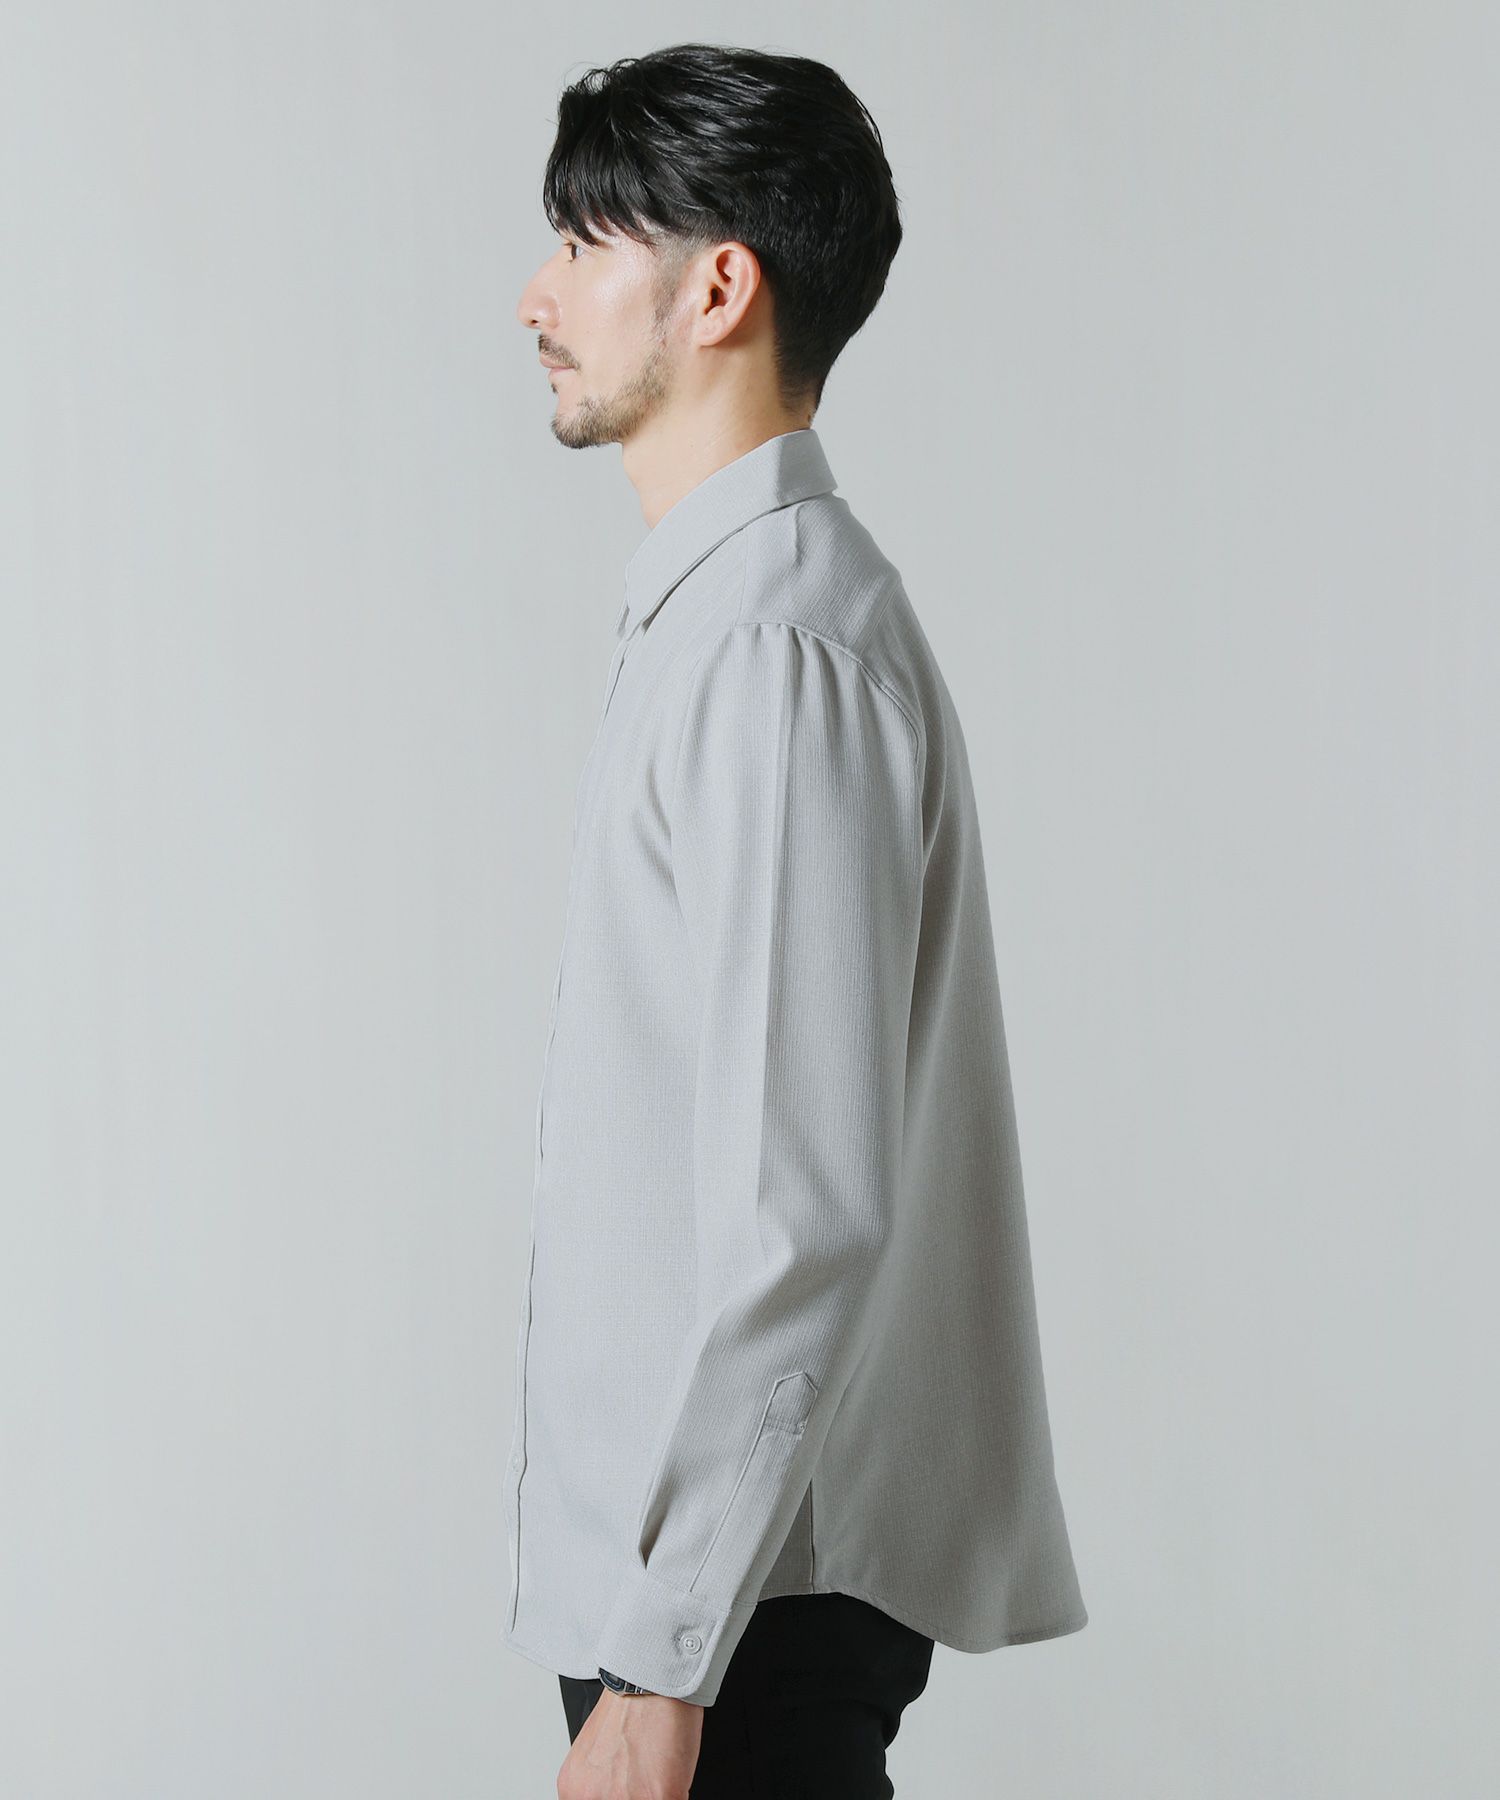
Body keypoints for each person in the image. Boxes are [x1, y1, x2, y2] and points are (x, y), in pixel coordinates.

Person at [508, 43, 1088, 1800]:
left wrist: (663, 1665)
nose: (537, 298)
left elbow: (806, 1206)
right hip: (714, 1599)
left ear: (718, 289)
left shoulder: (772, 652)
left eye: (584, 246)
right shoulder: (730, 623)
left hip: (737, 1617)